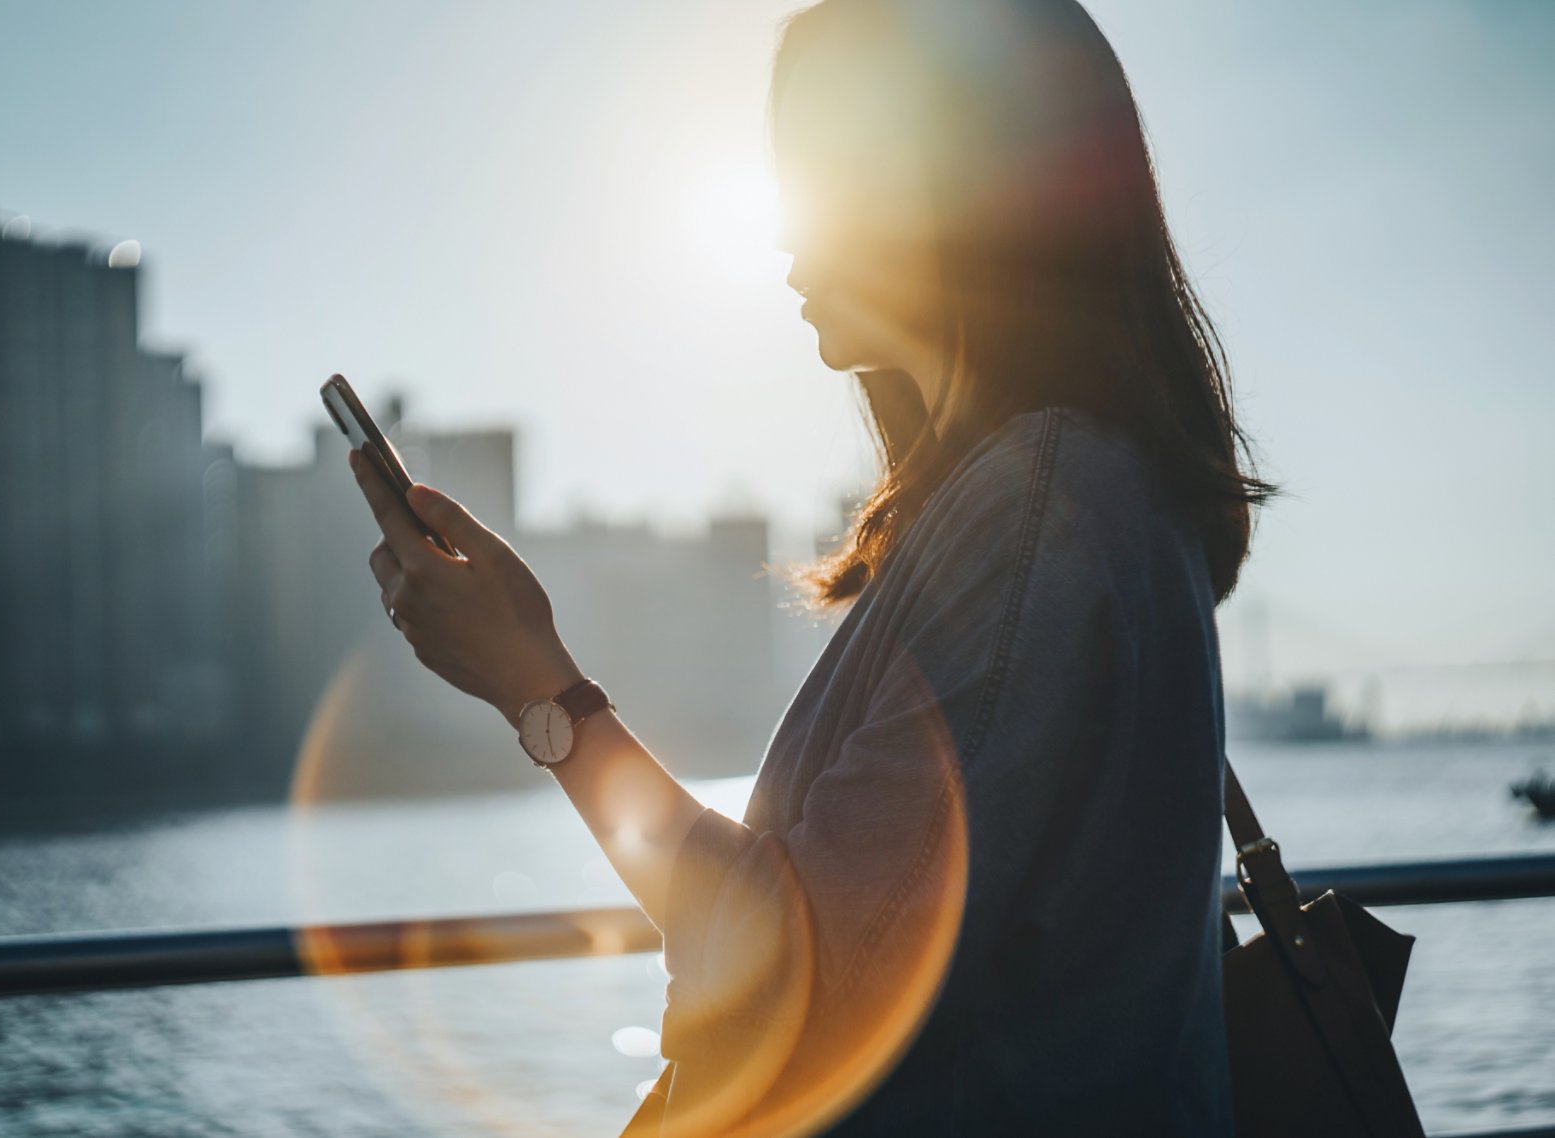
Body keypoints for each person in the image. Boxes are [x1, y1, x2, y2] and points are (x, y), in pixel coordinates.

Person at [346, 0, 1275, 1133]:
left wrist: (541, 691)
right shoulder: (1040, 496)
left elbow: (800, 976)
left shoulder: (1039, 507)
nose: (783, 224)